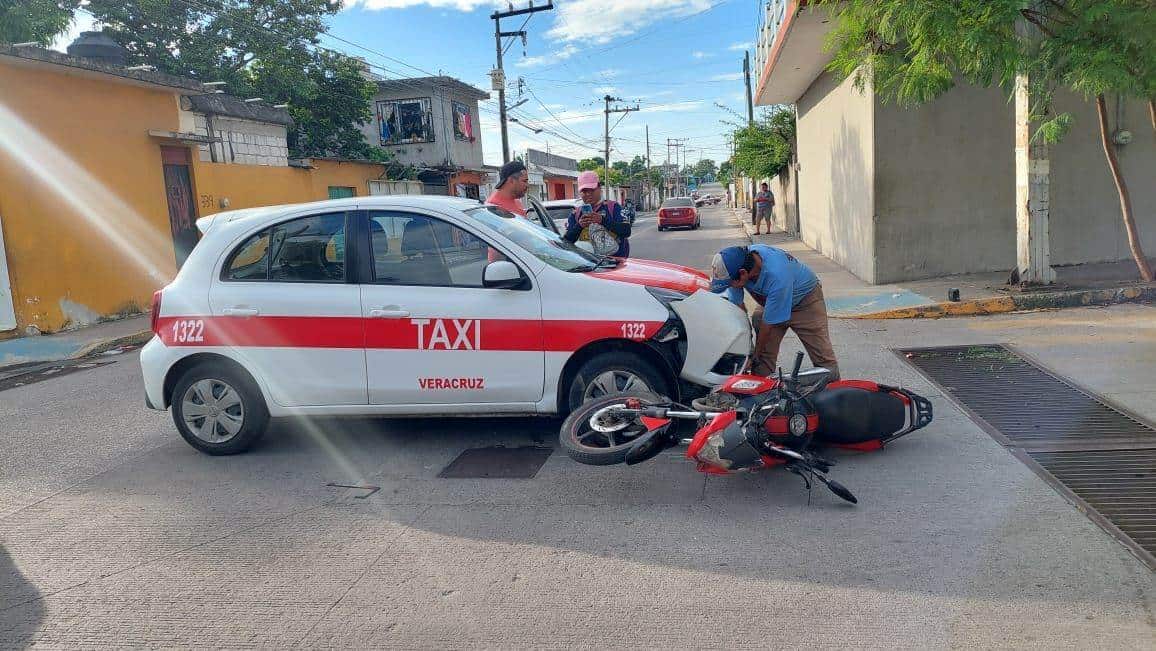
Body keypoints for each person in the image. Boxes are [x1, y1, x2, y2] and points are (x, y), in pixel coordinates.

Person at [710, 244, 839, 380]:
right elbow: (739, 311)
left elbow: (768, 325)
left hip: (805, 303)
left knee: (824, 359)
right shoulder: (738, 264)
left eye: (730, 284)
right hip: (771, 300)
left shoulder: (776, 274)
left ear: (743, 273)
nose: (730, 287)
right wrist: (747, 351)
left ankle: (836, 394)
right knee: (762, 363)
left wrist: (754, 356)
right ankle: (759, 396)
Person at [563, 171, 631, 258]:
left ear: (599, 188)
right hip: (588, 265)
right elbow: (566, 242)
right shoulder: (575, 214)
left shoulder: (613, 207)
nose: (588, 194)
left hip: (615, 263)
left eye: (591, 190)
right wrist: (579, 226)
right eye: (584, 191)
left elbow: (627, 231)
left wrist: (602, 220)